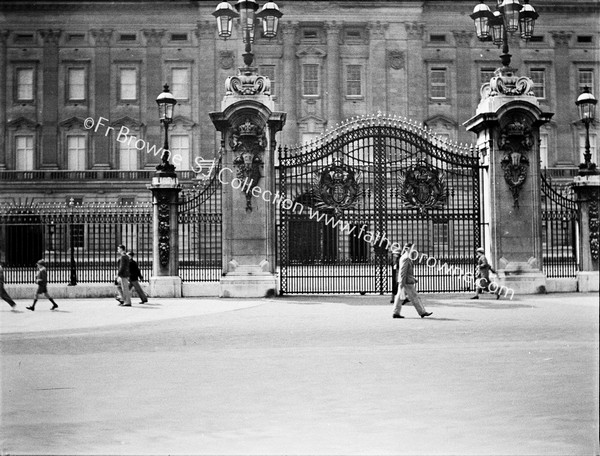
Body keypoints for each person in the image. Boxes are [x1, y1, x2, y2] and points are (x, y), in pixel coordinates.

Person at [392, 243, 432, 319]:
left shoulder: (404, 257)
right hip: (406, 282)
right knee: (414, 297)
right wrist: (402, 283)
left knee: (400, 297)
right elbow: (403, 271)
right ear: (407, 249)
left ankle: (395, 312)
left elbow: (403, 271)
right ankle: (422, 312)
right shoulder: (406, 258)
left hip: (404, 281)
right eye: (412, 248)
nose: (413, 250)